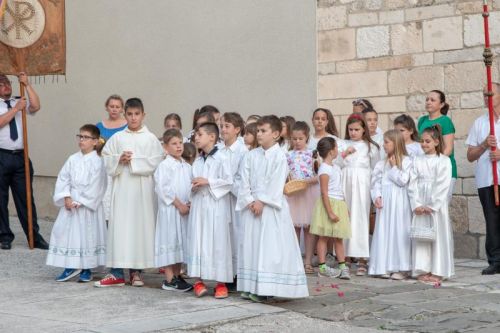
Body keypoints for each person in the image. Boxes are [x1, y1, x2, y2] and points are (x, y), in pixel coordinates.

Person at [236, 115, 308, 302]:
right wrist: (250, 200)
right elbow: (243, 180)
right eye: (257, 131)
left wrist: (262, 201)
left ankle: (266, 288)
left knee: (269, 248)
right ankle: (250, 285)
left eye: (263, 131)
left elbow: (276, 182)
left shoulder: (279, 156)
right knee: (252, 246)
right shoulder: (251, 155)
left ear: (275, 134)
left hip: (270, 209)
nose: (258, 134)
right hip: (252, 207)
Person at [94, 98, 164, 287]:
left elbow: (157, 161)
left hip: (142, 192)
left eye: (137, 114)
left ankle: (136, 272)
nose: (133, 118)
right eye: (130, 114)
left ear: (143, 115)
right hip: (123, 190)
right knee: (121, 228)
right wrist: (119, 159)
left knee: (138, 229)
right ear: (125, 115)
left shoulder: (150, 138)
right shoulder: (118, 138)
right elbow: (106, 158)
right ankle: (116, 273)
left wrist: (133, 161)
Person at [46, 124, 107, 282]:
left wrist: (82, 201)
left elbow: (98, 184)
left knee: (88, 236)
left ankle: (87, 269)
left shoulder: (98, 161)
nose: (82, 140)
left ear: (95, 141)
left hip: (87, 206)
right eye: (80, 136)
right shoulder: (72, 159)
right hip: (71, 203)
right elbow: (63, 178)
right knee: (69, 235)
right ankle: (71, 266)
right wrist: (66, 196)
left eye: (86, 137)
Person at [0, 73, 48, 250]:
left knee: (26, 197)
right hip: (1, 155)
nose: (6, 86)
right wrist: (15, 110)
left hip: (20, 156)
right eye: (1, 84)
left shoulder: (18, 99)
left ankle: (33, 236)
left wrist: (26, 85)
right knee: (0, 198)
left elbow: (36, 106)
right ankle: (4, 236)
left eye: (7, 82)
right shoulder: (14, 106)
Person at [186, 122, 233, 299]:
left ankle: (220, 283)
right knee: (198, 240)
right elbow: (191, 182)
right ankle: (198, 280)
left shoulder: (222, 157)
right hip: (199, 206)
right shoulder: (197, 161)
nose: (196, 138)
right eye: (195, 135)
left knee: (218, 242)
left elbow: (228, 181)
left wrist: (208, 182)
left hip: (216, 205)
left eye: (199, 134)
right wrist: (194, 187)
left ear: (212, 137)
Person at [408, 125, 454, 283]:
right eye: (422, 141)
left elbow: (443, 184)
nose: (424, 144)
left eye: (427, 141)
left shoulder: (444, 161)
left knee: (437, 235)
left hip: (435, 205)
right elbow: (412, 183)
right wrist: (416, 204)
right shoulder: (417, 160)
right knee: (421, 236)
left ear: (436, 141)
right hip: (420, 201)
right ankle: (422, 268)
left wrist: (432, 205)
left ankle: (438, 269)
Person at [466, 82, 500, 275]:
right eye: (484, 95)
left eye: (491, 94)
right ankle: (495, 260)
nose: (487, 98)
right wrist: (484, 144)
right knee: (492, 221)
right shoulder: (479, 123)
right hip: (487, 179)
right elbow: (470, 155)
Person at [369, 130, 412, 280]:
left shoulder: (406, 161)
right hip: (385, 204)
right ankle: (383, 265)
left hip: (400, 204)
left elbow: (403, 181)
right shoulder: (381, 164)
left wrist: (394, 167)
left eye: (387, 142)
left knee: (399, 232)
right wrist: (377, 196)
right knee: (384, 232)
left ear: (396, 143)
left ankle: (401, 267)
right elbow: (375, 183)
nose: (384, 145)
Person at [340, 114, 380, 276]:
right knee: (346, 218)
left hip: (362, 185)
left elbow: (376, 168)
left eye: (357, 129)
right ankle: (346, 257)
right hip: (345, 183)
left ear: (364, 129)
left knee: (361, 219)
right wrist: (344, 154)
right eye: (351, 129)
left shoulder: (370, 146)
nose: (353, 132)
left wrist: (374, 190)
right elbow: (335, 162)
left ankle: (363, 257)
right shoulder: (343, 144)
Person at [154, 129, 193, 292]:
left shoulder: (185, 164)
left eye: (180, 143)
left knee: (180, 243)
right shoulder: (165, 165)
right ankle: (169, 279)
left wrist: (189, 203)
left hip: (184, 210)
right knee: (170, 241)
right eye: (174, 144)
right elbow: (164, 189)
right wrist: (179, 205)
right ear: (165, 147)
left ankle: (178, 276)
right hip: (171, 211)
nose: (178, 147)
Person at [310, 137, 351, 279]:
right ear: (331, 151)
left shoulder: (336, 167)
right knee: (324, 237)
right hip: (329, 204)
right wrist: (330, 212)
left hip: (338, 203)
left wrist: (344, 206)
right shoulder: (324, 170)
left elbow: (340, 188)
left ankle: (342, 266)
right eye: (337, 148)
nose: (338, 150)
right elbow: (324, 192)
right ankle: (322, 267)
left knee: (338, 238)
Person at [219, 112, 248, 291]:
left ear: (237, 129)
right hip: (221, 199)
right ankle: (226, 273)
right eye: (221, 126)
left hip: (236, 200)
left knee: (237, 235)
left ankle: (238, 273)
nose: (223, 129)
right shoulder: (218, 150)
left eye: (227, 126)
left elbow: (242, 178)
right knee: (224, 235)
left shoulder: (243, 151)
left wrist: (227, 183)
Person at [285, 121, 319, 275]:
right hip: (293, 194)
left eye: (300, 138)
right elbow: (286, 174)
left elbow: (318, 174)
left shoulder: (312, 154)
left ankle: (308, 261)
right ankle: (295, 260)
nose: (297, 142)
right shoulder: (288, 154)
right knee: (294, 227)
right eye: (294, 139)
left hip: (308, 192)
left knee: (309, 228)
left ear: (307, 137)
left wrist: (306, 182)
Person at [418, 90, 456, 201]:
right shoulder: (422, 120)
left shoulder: (445, 121)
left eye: (433, 100)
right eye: (427, 99)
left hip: (443, 168)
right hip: (426, 169)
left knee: (440, 205)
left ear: (442, 104)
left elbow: (448, 149)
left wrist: (434, 163)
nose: (428, 102)